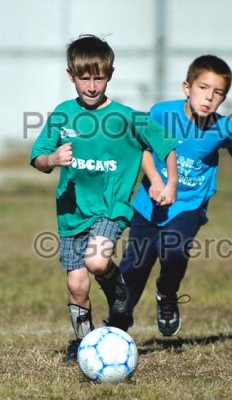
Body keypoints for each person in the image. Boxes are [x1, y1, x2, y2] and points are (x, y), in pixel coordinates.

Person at [30, 34, 178, 361]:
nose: (92, 86)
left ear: (110, 75)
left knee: (97, 261)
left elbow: (166, 145)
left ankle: (116, 286)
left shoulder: (126, 117)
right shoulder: (63, 114)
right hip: (71, 213)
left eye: (99, 78)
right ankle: (86, 345)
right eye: (85, 78)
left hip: (110, 208)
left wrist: (170, 185)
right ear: (71, 75)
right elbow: (38, 158)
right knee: (77, 287)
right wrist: (52, 160)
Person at [116, 54, 232, 336]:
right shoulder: (162, 114)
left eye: (218, 93)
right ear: (187, 87)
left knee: (173, 248)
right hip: (148, 203)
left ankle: (166, 293)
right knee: (134, 265)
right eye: (203, 88)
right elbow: (144, 149)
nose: (209, 98)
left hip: (188, 204)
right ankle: (118, 323)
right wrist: (154, 181)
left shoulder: (223, 127)